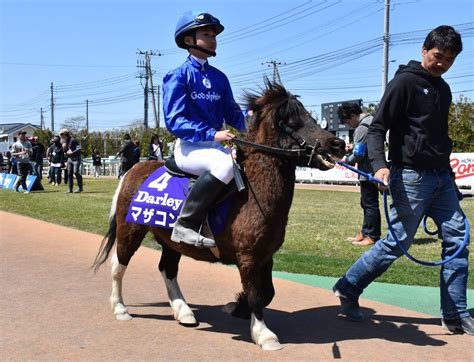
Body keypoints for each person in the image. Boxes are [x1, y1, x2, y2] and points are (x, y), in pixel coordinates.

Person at [333, 25, 473, 335]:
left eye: (450, 59)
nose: (442, 63)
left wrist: (449, 179)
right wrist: (381, 166)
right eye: (438, 56)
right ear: (424, 51)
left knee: (459, 237)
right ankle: (348, 287)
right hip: (409, 176)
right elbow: (377, 128)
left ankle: (455, 313)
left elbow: (438, 137)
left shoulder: (444, 89)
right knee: (397, 243)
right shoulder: (404, 83)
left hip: (441, 179)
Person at [162, 10, 246, 248]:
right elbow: (174, 121)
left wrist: (252, 132)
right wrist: (212, 134)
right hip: (189, 148)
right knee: (226, 164)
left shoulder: (219, 77)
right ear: (189, 40)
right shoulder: (177, 76)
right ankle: (186, 224)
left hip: (216, 145)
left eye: (214, 35)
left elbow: (233, 113)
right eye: (206, 34)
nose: (213, 39)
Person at [337, 103, 381, 246]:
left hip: (367, 172)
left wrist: (346, 160)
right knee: (366, 203)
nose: (349, 125)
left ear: (352, 116)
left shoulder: (362, 128)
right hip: (375, 168)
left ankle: (372, 236)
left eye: (347, 122)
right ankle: (365, 232)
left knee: (370, 204)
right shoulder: (373, 121)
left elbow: (358, 154)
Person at [60, 128, 83, 193]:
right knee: (69, 173)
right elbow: (66, 151)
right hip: (70, 159)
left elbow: (79, 148)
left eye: (61, 134)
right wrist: (64, 148)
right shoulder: (65, 141)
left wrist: (72, 152)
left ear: (65, 134)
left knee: (76, 172)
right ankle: (70, 189)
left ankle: (80, 187)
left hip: (76, 158)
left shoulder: (73, 140)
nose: (61, 136)